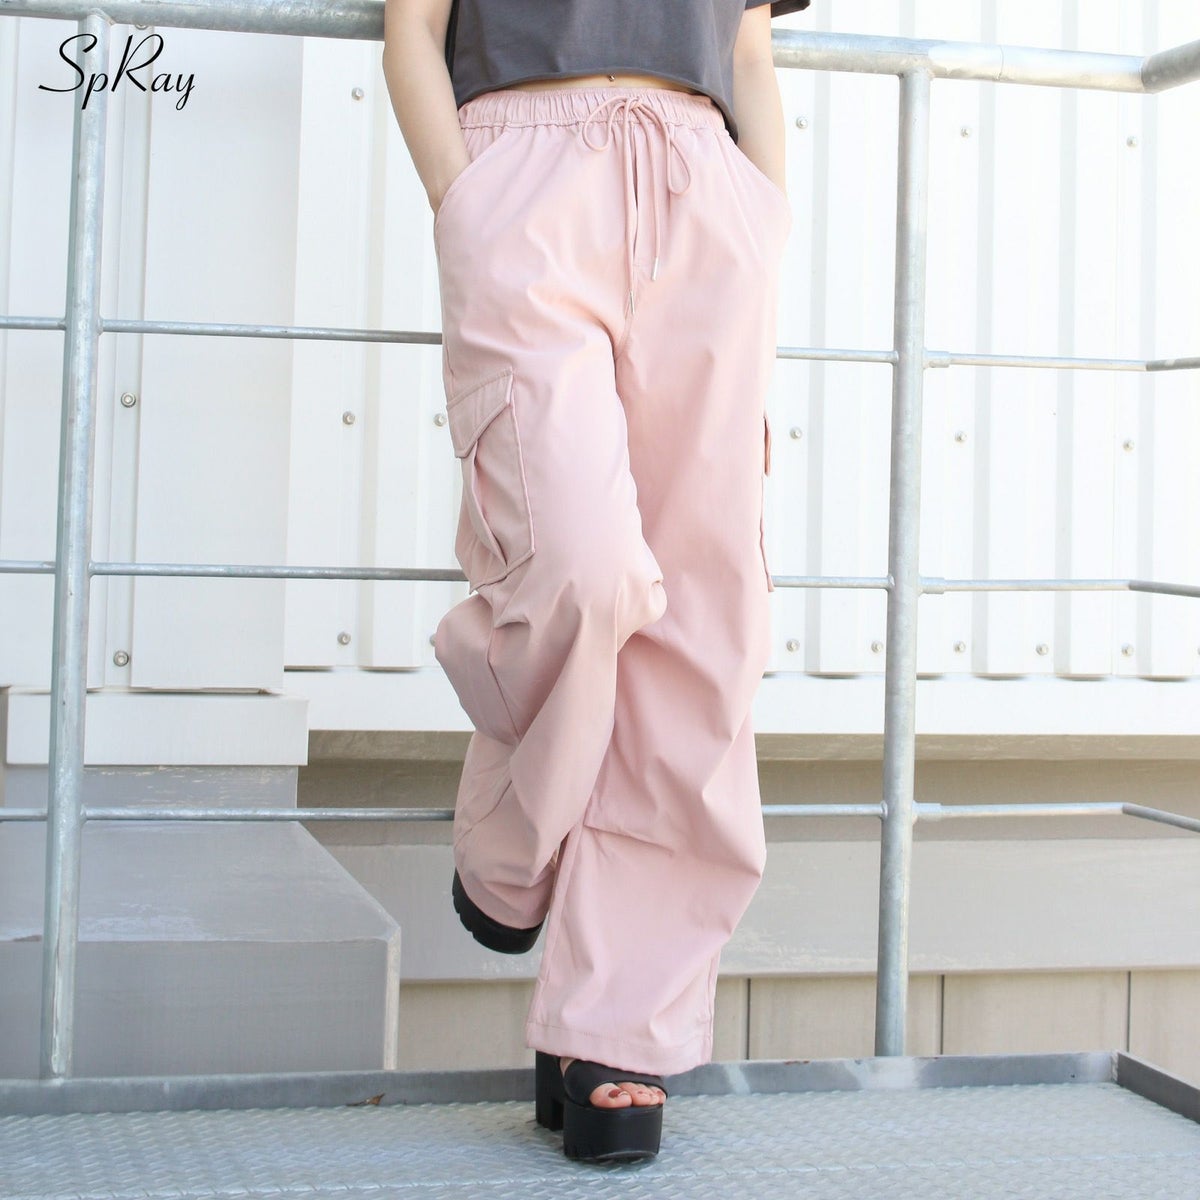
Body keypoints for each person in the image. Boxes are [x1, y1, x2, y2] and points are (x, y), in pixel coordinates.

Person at [381, 0, 807, 1164]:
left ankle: (618, 1027)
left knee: (704, 622)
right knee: (578, 568)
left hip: (704, 188)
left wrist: (764, 216)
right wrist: (463, 201)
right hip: (522, 174)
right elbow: (412, 28)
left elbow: (750, 48)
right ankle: (511, 842)